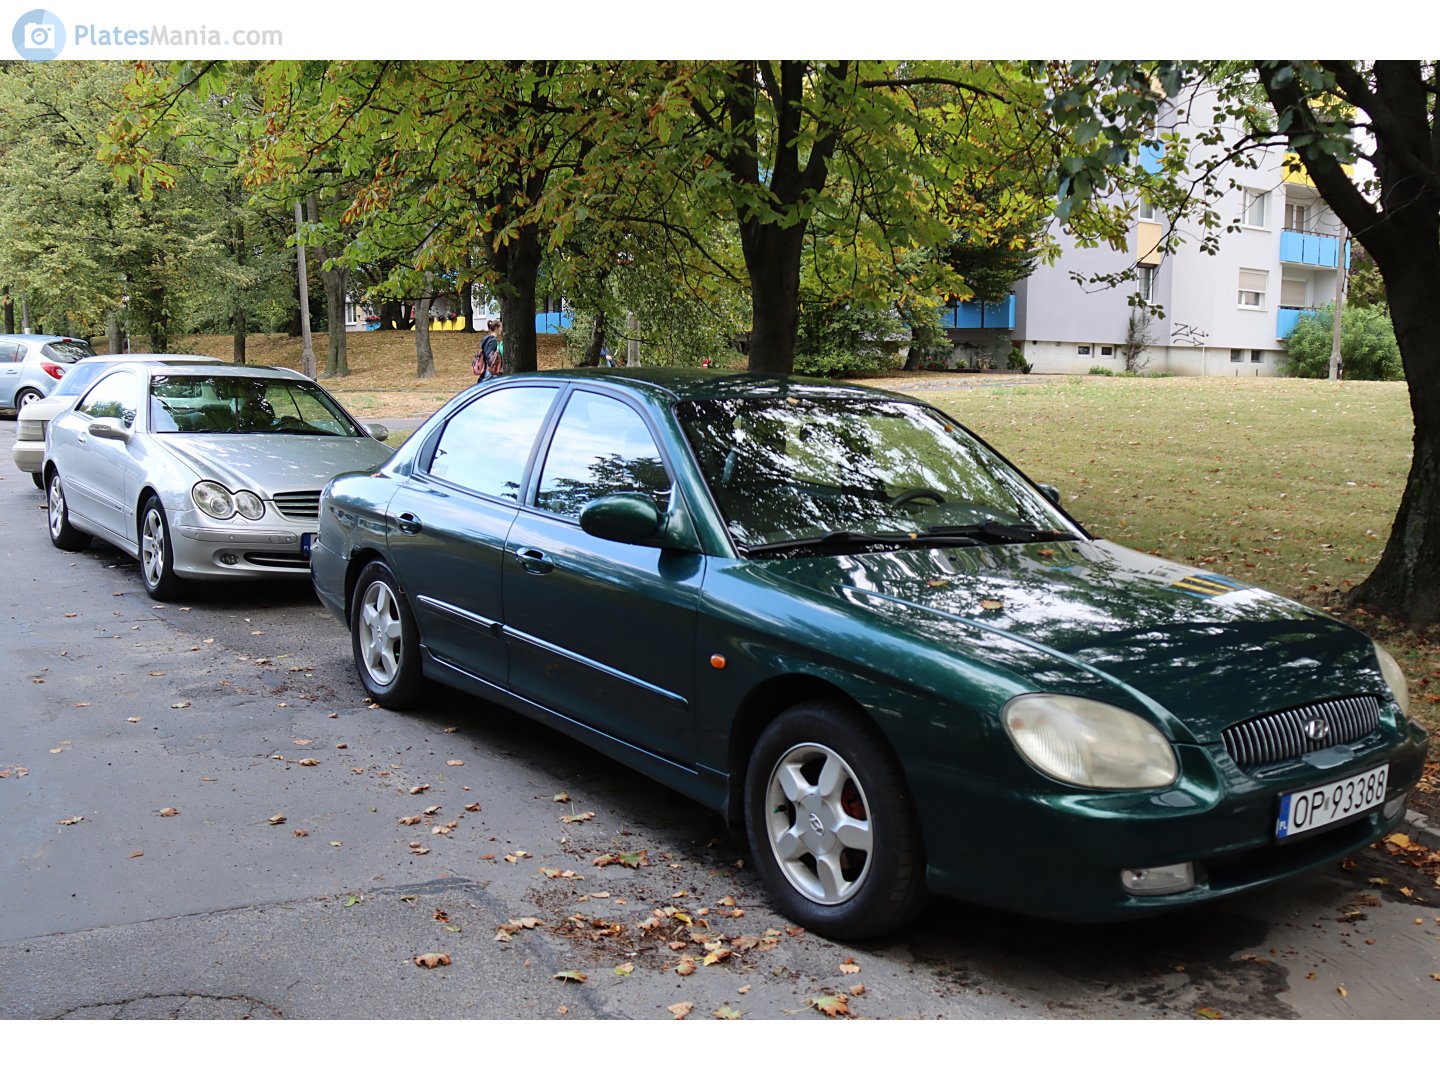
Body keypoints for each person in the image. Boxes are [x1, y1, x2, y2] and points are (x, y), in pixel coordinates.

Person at [472, 318, 501, 383]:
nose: (501, 330)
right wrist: (493, 365)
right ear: (496, 328)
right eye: (500, 327)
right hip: (489, 369)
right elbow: (489, 355)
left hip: (485, 367)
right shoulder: (493, 340)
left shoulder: (486, 339)